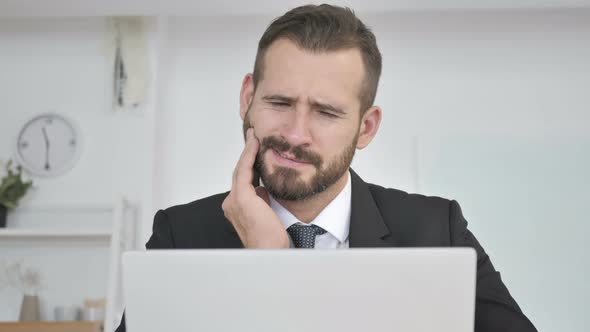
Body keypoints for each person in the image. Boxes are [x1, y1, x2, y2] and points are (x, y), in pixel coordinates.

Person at [116, 4, 537, 332]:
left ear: (365, 127)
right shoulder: (182, 236)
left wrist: (278, 268)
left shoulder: (436, 231)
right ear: (248, 98)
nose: (296, 134)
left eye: (326, 113)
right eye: (280, 103)